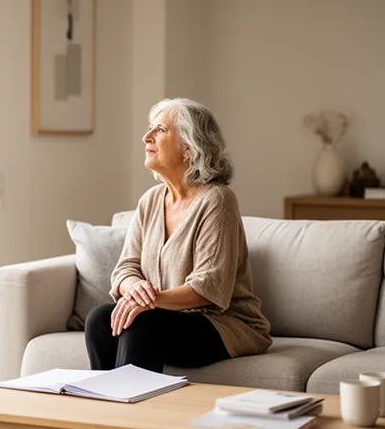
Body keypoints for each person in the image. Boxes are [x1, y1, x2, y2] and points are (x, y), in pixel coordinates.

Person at [85, 98, 272, 374]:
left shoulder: (217, 200)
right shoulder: (150, 201)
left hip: (220, 324)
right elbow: (125, 268)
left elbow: (208, 287)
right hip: (165, 317)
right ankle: (104, 407)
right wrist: (132, 287)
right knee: (99, 319)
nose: (146, 137)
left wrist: (146, 301)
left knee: (143, 322)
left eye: (160, 130)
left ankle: (132, 412)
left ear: (188, 148)